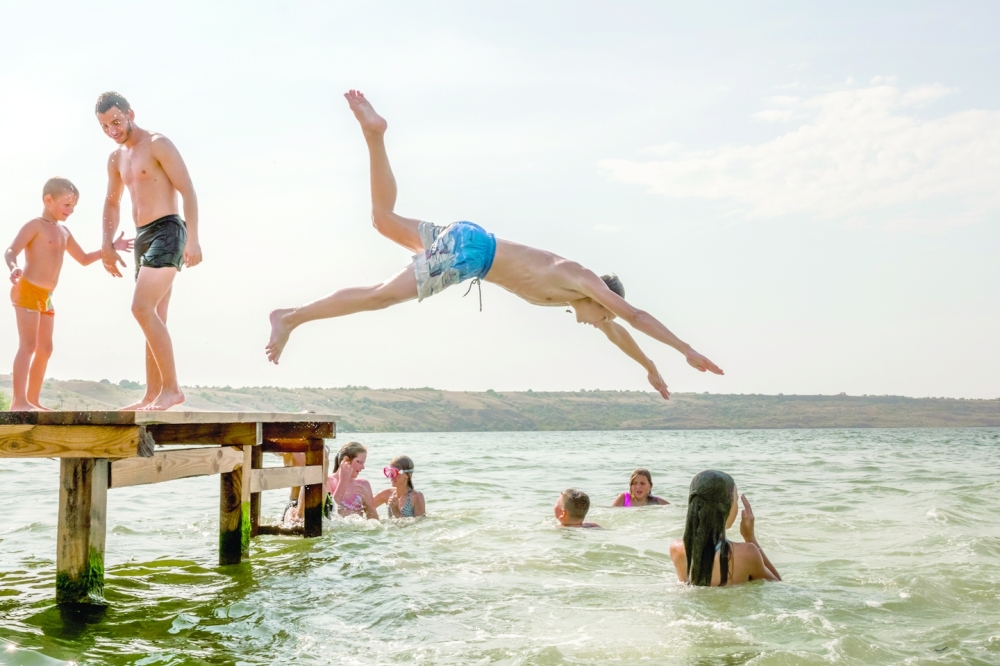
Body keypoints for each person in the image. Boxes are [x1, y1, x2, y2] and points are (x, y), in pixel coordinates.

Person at [265, 90, 723, 399]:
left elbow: (619, 332)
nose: (596, 323)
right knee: (381, 297)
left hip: (470, 239)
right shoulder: (578, 278)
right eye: (603, 314)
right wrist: (684, 348)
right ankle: (291, 317)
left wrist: (649, 367)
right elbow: (634, 316)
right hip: (470, 254)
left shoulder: (578, 298)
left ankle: (373, 135)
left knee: (382, 220)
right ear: (604, 300)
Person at [95, 91, 203, 411]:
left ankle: (172, 390)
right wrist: (106, 244)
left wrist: (194, 239)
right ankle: (152, 394)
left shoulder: (158, 144)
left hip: (169, 230)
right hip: (142, 237)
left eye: (116, 121)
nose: (112, 129)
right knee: (153, 315)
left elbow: (188, 190)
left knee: (141, 308)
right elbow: (112, 202)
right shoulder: (117, 158)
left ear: (131, 113)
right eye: (104, 126)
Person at [5, 178, 132, 411]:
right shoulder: (35, 225)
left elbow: (83, 259)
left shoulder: (64, 231)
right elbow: (11, 250)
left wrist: (111, 247)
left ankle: (33, 400)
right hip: (27, 290)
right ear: (48, 200)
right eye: (66, 205)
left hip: (47, 296)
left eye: (74, 207)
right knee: (29, 345)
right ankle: (18, 402)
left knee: (45, 349)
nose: (70, 211)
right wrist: (13, 267)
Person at [669, 470, 781, 586]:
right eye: (736, 500)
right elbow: (776, 584)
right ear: (725, 507)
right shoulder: (747, 553)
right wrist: (750, 537)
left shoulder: (677, 549)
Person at [323, 441, 378, 520]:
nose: (363, 467)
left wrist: (368, 503)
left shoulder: (363, 484)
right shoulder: (328, 481)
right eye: (359, 462)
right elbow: (329, 514)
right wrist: (343, 481)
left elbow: (375, 522)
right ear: (346, 460)